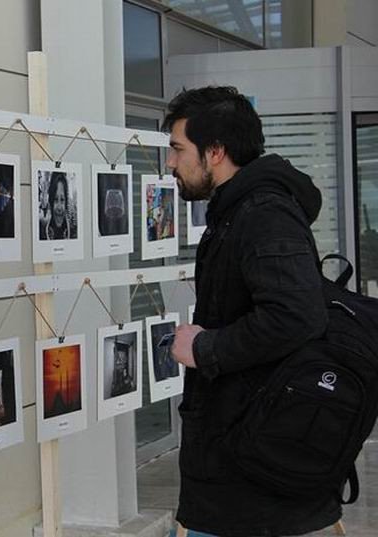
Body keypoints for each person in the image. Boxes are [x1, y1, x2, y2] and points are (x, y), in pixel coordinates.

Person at [165, 86, 338, 536]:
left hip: (250, 474)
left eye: (178, 149)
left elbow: (297, 315)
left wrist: (204, 346)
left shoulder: (264, 214)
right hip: (237, 462)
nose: (171, 164)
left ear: (215, 152)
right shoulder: (236, 211)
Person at [42, 172, 72, 240]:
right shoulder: (42, 232)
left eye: (62, 200)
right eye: (55, 200)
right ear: (51, 202)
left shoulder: (73, 232)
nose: (59, 207)